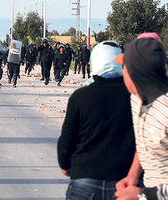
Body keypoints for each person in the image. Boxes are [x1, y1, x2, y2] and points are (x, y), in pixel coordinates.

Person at [57, 41, 136, 200]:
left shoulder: (80, 97)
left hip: (84, 179)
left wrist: (65, 165)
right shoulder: (134, 97)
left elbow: (67, 139)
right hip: (123, 184)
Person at [114, 35, 168, 200]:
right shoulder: (138, 99)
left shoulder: (164, 112)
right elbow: (146, 139)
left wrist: (143, 195)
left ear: (133, 71)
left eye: (124, 67)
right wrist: (133, 175)